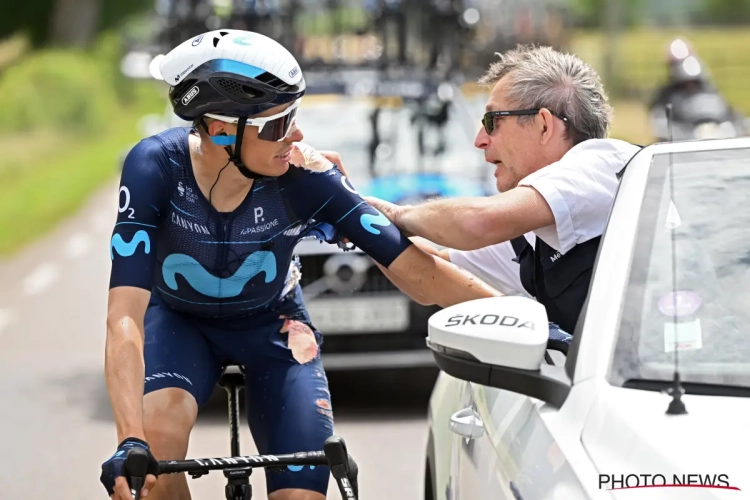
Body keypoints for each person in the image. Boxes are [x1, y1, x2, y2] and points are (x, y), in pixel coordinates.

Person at [99, 29, 502, 500]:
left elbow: (414, 267)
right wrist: (129, 438)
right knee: (153, 456)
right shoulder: (154, 167)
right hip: (180, 324)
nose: (295, 135)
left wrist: (522, 318)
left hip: (274, 327)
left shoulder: (306, 175)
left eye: (294, 116)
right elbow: (124, 315)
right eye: (276, 124)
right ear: (218, 128)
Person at [364, 44, 643, 334]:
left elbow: (477, 221)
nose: (480, 140)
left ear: (544, 126)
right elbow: (426, 277)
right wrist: (351, 213)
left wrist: (397, 215)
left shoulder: (601, 165)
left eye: (492, 121)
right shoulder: (532, 229)